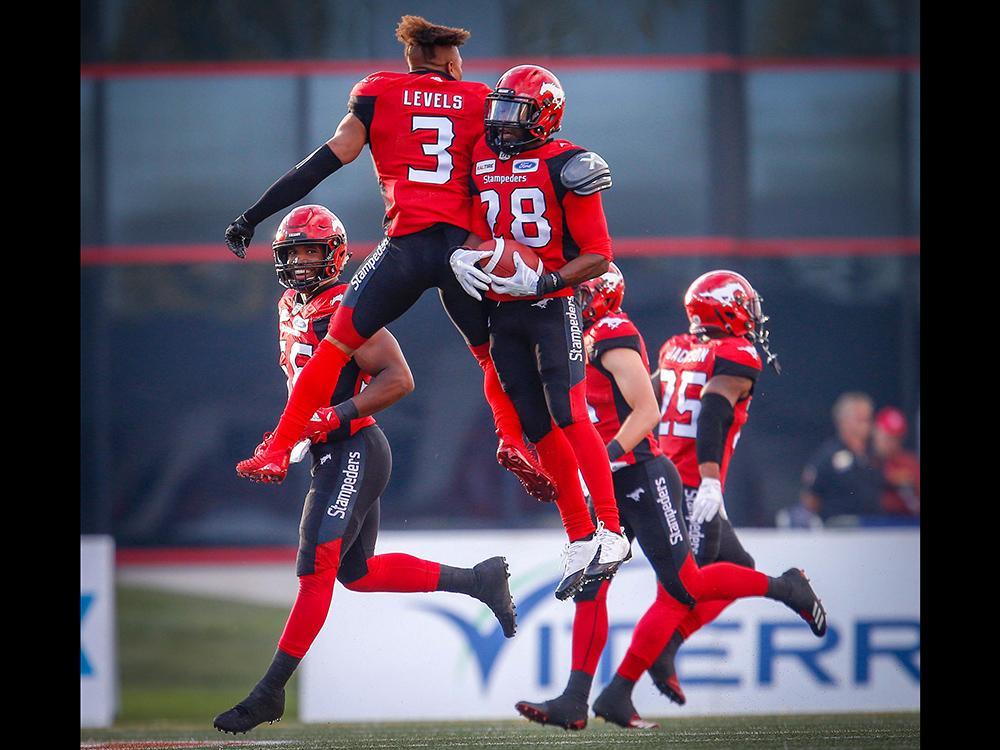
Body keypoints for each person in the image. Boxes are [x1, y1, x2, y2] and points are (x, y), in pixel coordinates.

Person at [224, 15, 555, 503]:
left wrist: (253, 217)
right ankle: (512, 440)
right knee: (488, 355)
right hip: (463, 250)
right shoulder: (480, 98)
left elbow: (325, 159)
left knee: (335, 344)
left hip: (404, 245)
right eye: (458, 56)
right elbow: (510, 173)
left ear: (410, 57)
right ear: (446, 57)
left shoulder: (378, 92)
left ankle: (276, 448)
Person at [213, 205, 516, 735]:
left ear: (334, 254)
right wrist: (290, 436)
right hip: (332, 450)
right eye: (293, 253)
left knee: (315, 571)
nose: (302, 262)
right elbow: (306, 383)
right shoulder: (289, 303)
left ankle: (269, 692)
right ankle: (479, 579)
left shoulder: (345, 309)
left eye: (312, 251)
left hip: (353, 447)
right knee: (358, 574)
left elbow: (399, 379)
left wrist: (334, 415)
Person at [514, 266, 828, 730]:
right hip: (615, 477)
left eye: (576, 295)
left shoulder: (618, 333)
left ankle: (783, 589)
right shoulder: (590, 338)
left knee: (685, 586)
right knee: (592, 588)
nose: (567, 303)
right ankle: (578, 699)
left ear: (598, 295)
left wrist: (702, 477)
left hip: (643, 473)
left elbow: (654, 409)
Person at [455, 64, 633, 598]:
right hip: (502, 306)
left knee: (569, 410)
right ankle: (579, 535)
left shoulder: (570, 165)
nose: (503, 124)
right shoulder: (478, 158)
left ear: (546, 116)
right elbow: (465, 223)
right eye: (499, 111)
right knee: (536, 423)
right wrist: (462, 254)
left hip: (553, 303)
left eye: (517, 113)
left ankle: (613, 531)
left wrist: (549, 278)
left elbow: (600, 255)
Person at [645, 270, 786, 708]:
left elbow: (644, 402)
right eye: (744, 304)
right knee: (685, 587)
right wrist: (709, 480)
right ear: (726, 308)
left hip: (660, 473)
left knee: (737, 567)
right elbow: (710, 412)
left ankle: (664, 651)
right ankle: (627, 682)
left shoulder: (674, 348)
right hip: (690, 481)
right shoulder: (737, 353)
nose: (751, 313)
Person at [800, 392, 882, 522]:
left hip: (873, 527)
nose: (866, 425)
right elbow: (811, 498)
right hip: (839, 531)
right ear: (843, 421)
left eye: (868, 419)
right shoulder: (828, 456)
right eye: (860, 419)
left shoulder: (875, 454)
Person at [872, 406, 920, 517]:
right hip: (869, 524)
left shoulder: (908, 463)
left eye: (896, 439)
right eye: (887, 437)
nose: (891, 443)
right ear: (875, 432)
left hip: (901, 525)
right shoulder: (864, 459)